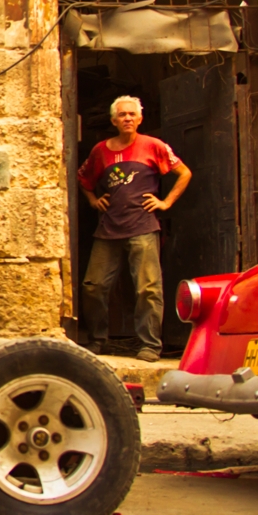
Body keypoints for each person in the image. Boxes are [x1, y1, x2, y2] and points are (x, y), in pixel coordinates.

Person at [77, 96, 191, 362]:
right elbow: (84, 179)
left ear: (140, 119)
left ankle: (150, 345)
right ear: (113, 121)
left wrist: (166, 202)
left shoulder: (154, 146)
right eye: (122, 115)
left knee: (148, 288)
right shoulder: (100, 151)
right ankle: (97, 340)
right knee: (93, 286)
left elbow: (184, 173)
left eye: (132, 114)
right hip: (108, 229)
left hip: (142, 226)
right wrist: (94, 200)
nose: (127, 118)